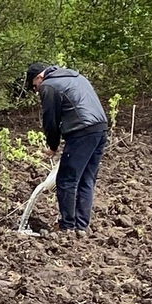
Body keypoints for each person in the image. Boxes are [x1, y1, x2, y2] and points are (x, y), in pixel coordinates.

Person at [25, 62, 108, 235]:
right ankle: (81, 226)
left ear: (39, 77)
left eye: (34, 86)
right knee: (87, 178)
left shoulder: (48, 85)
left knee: (66, 179)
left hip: (81, 131)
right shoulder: (75, 76)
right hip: (100, 128)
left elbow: (51, 120)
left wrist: (52, 145)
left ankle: (67, 226)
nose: (36, 90)